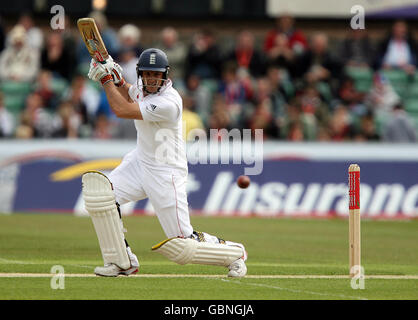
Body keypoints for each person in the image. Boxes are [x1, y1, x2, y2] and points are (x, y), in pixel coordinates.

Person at [85, 48, 248, 277]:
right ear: (141, 74)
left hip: (166, 172)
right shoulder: (142, 88)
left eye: (156, 74)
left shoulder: (169, 103)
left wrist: (105, 79)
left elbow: (122, 109)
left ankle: (235, 253)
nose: (151, 79)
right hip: (140, 162)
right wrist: (116, 76)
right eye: (147, 74)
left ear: (165, 75)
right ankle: (121, 262)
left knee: (183, 244)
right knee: (101, 196)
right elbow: (130, 92)